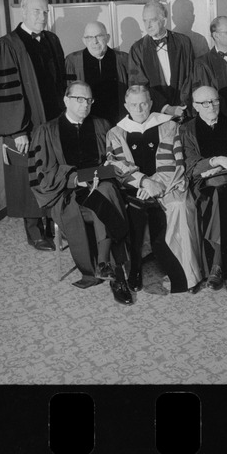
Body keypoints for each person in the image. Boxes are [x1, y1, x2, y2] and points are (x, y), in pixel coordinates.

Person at [30, 82, 133, 304]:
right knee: (105, 203)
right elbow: (43, 174)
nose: (85, 104)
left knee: (104, 192)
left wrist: (110, 166)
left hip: (102, 186)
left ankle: (106, 266)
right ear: (66, 100)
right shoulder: (46, 131)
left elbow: (114, 158)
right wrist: (76, 179)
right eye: (80, 99)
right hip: (67, 194)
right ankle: (116, 273)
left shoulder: (101, 125)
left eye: (89, 100)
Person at [106, 85, 206, 294]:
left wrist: (156, 185)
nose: (139, 108)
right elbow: (116, 165)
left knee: (180, 205)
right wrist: (143, 182)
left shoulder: (169, 126)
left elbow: (176, 161)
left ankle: (185, 275)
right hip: (133, 187)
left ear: (151, 103)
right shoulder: (115, 133)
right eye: (134, 104)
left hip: (167, 185)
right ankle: (135, 268)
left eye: (144, 103)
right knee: (133, 208)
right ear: (126, 106)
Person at [0, 0, 65, 252]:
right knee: (29, 173)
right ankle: (34, 231)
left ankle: (55, 220)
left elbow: (60, 81)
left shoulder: (52, 39)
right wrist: (17, 130)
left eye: (45, 11)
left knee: (51, 169)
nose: (42, 16)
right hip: (27, 126)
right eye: (37, 12)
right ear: (23, 13)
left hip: (52, 121)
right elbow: (6, 90)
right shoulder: (7, 45)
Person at [180, 85, 227, 302]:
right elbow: (189, 164)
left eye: (214, 101)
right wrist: (214, 161)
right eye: (204, 103)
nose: (211, 106)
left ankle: (217, 267)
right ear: (195, 106)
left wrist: (223, 167)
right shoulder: (187, 129)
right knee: (216, 196)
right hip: (202, 186)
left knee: (222, 195)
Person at [128, 0, 194, 120]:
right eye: (145, 21)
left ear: (164, 20)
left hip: (184, 110)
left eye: (152, 20)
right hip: (154, 114)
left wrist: (182, 106)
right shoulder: (137, 49)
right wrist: (166, 108)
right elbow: (139, 86)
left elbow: (191, 77)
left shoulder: (184, 43)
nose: (148, 26)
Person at [64, 21, 130, 125]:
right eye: (89, 37)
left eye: (99, 36)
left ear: (107, 38)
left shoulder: (123, 59)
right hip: (86, 124)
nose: (95, 41)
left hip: (119, 122)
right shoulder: (72, 61)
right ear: (84, 40)